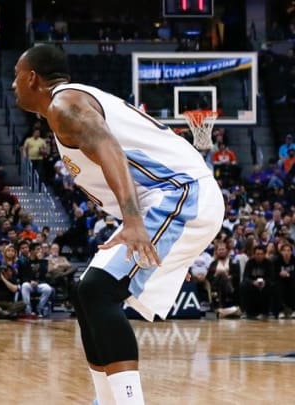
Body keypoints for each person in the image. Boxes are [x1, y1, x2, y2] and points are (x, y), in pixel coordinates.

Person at [12, 44, 223, 405]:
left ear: (32, 78)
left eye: (16, 78)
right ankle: (106, 399)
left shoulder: (65, 105)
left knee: (98, 290)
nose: (13, 86)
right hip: (168, 195)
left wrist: (132, 221)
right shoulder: (69, 106)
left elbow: (110, 149)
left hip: (180, 194)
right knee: (85, 293)